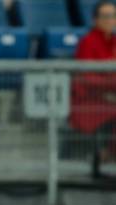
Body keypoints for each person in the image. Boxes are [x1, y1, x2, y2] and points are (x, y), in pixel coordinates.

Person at [70, 0, 116, 173]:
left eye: (113, 16)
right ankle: (107, 154)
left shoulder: (115, 42)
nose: (110, 20)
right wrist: (110, 85)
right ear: (95, 20)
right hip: (89, 101)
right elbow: (86, 78)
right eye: (105, 16)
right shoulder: (88, 42)